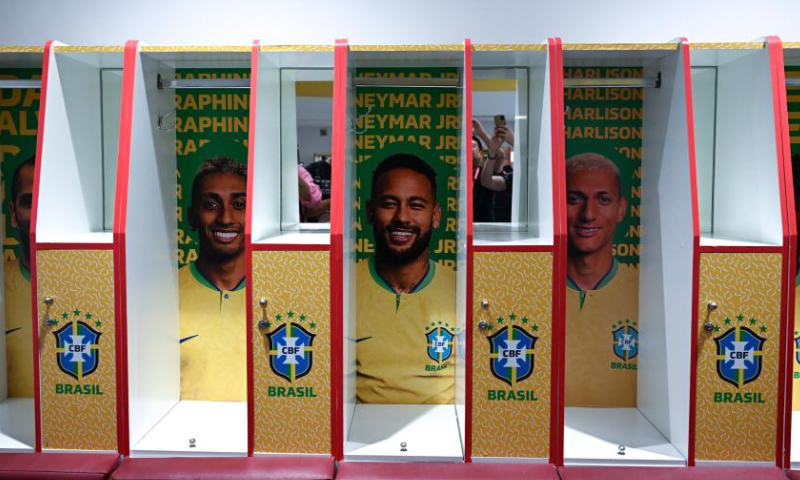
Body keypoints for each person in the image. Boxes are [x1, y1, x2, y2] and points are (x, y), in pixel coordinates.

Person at [357, 153, 456, 404]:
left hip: (443, 437)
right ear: (369, 211)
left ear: (435, 216)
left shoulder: (464, 290)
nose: (402, 217)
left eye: (416, 205)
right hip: (361, 437)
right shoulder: (339, 286)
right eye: (389, 203)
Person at [564, 152, 638, 408]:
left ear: (621, 209)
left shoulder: (646, 293)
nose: (588, 214)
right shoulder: (531, 291)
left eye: (603, 200)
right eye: (574, 200)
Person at [179, 156, 247, 402]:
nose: (226, 218)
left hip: (261, 439)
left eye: (239, 205)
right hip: (185, 437)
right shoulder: (162, 295)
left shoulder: (276, 294)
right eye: (211, 204)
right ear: (191, 217)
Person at [4, 156, 34, 398]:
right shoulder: (2, 289)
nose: (41, 213)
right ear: (13, 214)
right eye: (30, 202)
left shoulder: (104, 288)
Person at [304, 155, 332, 222]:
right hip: (318, 225)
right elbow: (306, 211)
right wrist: (336, 201)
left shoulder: (351, 172)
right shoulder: (312, 169)